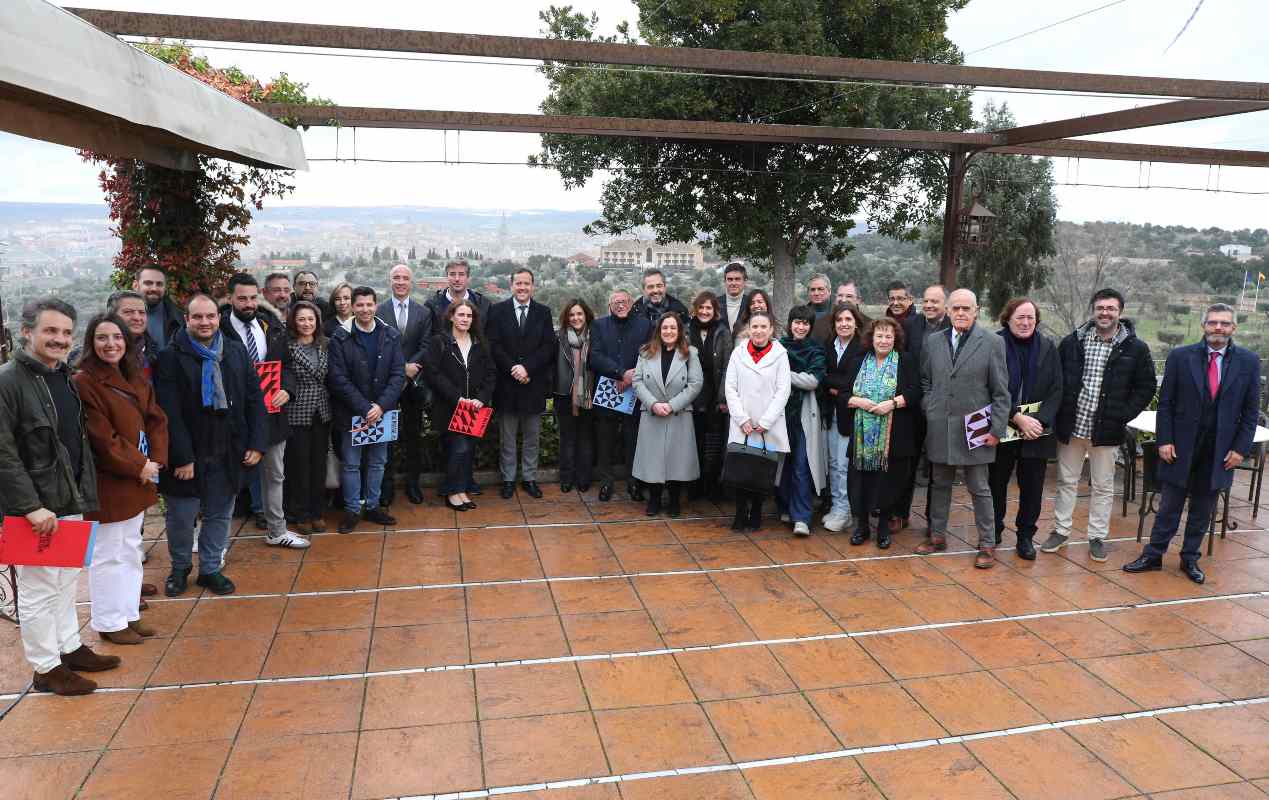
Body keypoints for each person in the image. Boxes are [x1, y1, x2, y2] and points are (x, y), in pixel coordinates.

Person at [0, 298, 117, 695]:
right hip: (36, 506)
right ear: (27, 332)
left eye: (66, 332)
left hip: (69, 498)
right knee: (37, 589)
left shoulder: (62, 376)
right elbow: (3, 452)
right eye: (50, 331)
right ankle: (45, 667)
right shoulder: (8, 382)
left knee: (66, 580)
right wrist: (30, 506)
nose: (60, 339)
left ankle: (68, 647)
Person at [1125, 303, 1259, 584]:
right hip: (1181, 446)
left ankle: (1190, 558)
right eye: (1212, 323)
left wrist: (1240, 449)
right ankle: (1154, 555)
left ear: (1233, 328)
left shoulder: (1248, 362)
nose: (1218, 328)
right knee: (1168, 506)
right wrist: (1165, 440)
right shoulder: (1180, 357)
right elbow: (1166, 404)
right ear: (1204, 326)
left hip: (1221, 450)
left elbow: (1250, 412)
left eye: (1224, 323)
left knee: (1202, 509)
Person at [157, 294, 267, 597]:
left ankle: (210, 569)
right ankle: (180, 568)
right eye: (198, 317)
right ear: (187, 320)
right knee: (181, 517)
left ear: (218, 318)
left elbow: (254, 398)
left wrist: (257, 443)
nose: (205, 322)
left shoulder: (234, 351)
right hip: (188, 456)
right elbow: (169, 412)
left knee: (220, 514)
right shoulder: (170, 357)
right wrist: (182, 457)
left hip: (228, 451)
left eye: (210, 316)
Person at [74, 313, 168, 645]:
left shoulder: (133, 374)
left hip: (140, 476)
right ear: (91, 342)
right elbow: (102, 438)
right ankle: (109, 622)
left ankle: (129, 614)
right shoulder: (84, 381)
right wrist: (140, 465)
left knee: (130, 548)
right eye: (102, 337)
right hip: (111, 482)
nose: (110, 344)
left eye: (116, 337)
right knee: (108, 554)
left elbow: (156, 418)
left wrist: (155, 459)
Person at [1044, 288, 1156, 562]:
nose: (1105, 313)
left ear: (1120, 312)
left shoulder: (1135, 347)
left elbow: (1146, 386)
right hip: (1072, 425)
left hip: (1107, 429)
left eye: (1111, 308)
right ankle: (1060, 530)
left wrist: (1122, 415)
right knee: (1066, 481)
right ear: (1093, 310)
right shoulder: (1073, 342)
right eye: (1100, 308)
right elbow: (1055, 379)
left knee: (1103, 486)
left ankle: (1096, 537)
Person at [918, 289, 1011, 569]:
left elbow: (1001, 392)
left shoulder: (993, 343)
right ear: (947, 311)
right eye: (955, 308)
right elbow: (926, 380)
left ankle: (987, 543)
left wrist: (996, 429)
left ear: (976, 310)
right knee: (939, 484)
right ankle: (937, 536)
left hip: (976, 430)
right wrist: (930, 405)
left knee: (980, 488)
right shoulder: (932, 341)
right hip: (940, 427)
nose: (960, 313)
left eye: (966, 309)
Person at [220, 273, 305, 549]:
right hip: (233, 420)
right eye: (241, 298)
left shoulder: (272, 326)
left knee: (275, 475)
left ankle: (276, 530)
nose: (247, 304)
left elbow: (287, 366)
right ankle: (214, 539)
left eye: (252, 297)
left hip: (271, 415)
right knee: (226, 479)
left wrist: (287, 390)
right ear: (230, 298)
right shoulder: (218, 331)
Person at [987, 298, 1062, 561]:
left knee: (1032, 488)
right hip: (1003, 426)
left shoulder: (1048, 347)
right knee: (995, 483)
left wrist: (1038, 422)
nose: (1026, 322)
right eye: (1020, 317)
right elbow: (988, 387)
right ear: (1007, 318)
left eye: (1030, 317)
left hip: (1036, 432)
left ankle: (1025, 537)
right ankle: (992, 532)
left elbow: (1057, 389)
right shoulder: (994, 344)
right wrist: (1016, 417)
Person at [328, 286, 405, 533]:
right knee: (351, 464)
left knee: (378, 462)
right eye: (359, 305)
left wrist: (380, 406)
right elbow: (337, 378)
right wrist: (364, 407)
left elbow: (398, 374)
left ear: (376, 305)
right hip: (352, 414)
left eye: (369, 304)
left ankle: (372, 506)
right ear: (352, 307)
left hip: (382, 413)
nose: (364, 309)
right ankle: (352, 510)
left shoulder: (390, 335)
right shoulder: (340, 338)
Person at [843, 317, 923, 549]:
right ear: (871, 337)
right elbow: (843, 393)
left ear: (895, 338)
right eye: (880, 335)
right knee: (861, 482)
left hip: (894, 436)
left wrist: (892, 404)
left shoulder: (905, 361)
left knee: (888, 483)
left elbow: (916, 391)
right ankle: (862, 528)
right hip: (861, 438)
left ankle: (884, 529)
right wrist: (858, 401)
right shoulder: (858, 361)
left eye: (889, 336)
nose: (884, 340)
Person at [487, 268, 557, 499]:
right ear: (511, 285)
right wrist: (513, 368)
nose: (522, 287)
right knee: (507, 439)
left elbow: (548, 347)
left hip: (533, 384)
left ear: (533, 286)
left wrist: (527, 368)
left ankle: (529, 478)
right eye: (518, 283)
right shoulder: (497, 311)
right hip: (507, 386)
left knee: (531, 438)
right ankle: (508, 479)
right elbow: (493, 345)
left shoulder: (543, 312)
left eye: (526, 283)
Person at [892, 284, 952, 532]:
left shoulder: (955, 327)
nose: (929, 306)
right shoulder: (910, 326)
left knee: (937, 467)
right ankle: (899, 513)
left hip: (943, 406)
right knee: (906, 463)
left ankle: (933, 520)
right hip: (911, 405)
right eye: (926, 301)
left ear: (945, 305)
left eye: (935, 302)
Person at [425, 300, 496, 511]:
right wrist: (457, 397)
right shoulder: (439, 341)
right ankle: (452, 491)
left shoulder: (480, 343)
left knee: (468, 449)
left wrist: (481, 398)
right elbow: (433, 374)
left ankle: (462, 488)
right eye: (461, 315)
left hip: (474, 407)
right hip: (450, 407)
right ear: (451, 317)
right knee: (458, 448)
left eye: (469, 316)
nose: (465, 319)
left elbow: (492, 374)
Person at [724, 311, 791, 531]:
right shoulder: (738, 353)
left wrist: (765, 421)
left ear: (771, 329)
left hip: (767, 424)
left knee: (761, 471)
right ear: (749, 329)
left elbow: (783, 390)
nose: (759, 331)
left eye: (764, 327)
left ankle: (757, 513)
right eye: (755, 327)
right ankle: (740, 512)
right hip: (742, 422)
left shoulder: (780, 355)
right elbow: (730, 388)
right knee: (741, 469)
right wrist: (742, 418)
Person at [632, 312, 704, 517]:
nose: (669, 331)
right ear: (659, 330)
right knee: (653, 460)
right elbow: (637, 381)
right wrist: (653, 404)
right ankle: (654, 499)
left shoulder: (690, 353)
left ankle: (674, 501)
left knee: (677, 460)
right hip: (652, 413)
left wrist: (672, 405)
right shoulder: (646, 353)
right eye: (665, 327)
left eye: (673, 327)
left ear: (679, 330)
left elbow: (695, 384)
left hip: (678, 414)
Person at [378, 264, 434, 505]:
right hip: (388, 384)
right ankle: (386, 486)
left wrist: (410, 372)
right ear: (390, 280)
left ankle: (413, 484)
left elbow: (426, 345)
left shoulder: (423, 313)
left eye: (405, 278)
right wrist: (400, 371)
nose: (400, 282)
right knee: (386, 437)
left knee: (413, 436)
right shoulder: (378, 310)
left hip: (413, 385)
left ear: (411, 282)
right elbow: (378, 347)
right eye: (396, 278)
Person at [589, 289, 653, 502]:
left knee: (632, 440)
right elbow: (595, 356)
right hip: (607, 389)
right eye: (616, 302)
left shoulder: (645, 326)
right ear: (610, 306)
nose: (620, 305)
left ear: (631, 303)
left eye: (624, 301)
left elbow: (649, 354)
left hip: (635, 390)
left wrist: (631, 376)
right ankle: (606, 483)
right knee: (604, 440)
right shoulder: (599, 325)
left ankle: (633, 484)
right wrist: (620, 373)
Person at [776, 305, 827, 536]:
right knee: (782, 465)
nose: (800, 326)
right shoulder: (778, 347)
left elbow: (812, 381)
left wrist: (782, 375)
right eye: (797, 322)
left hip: (805, 416)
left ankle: (802, 517)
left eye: (805, 323)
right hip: (779, 415)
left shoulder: (816, 350)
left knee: (802, 466)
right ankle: (785, 507)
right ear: (790, 323)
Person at [282, 301, 333, 534]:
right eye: (302, 319)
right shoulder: (286, 346)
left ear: (317, 321)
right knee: (299, 465)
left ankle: (317, 512)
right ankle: (300, 513)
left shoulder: (326, 344)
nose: (306, 323)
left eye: (311, 319)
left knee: (319, 465)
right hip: (296, 413)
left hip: (322, 412)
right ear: (294, 321)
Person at [822, 303, 868, 533]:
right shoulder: (829, 345)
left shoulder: (862, 348)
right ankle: (837, 506)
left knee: (843, 465)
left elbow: (854, 383)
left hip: (850, 416)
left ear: (856, 322)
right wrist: (837, 387)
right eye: (839, 320)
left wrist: (837, 387)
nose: (844, 324)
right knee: (832, 463)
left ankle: (845, 511)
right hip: (830, 413)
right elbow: (823, 377)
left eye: (848, 319)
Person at [687, 291, 733, 501]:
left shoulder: (722, 332)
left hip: (715, 394)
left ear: (715, 312)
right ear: (695, 309)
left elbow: (727, 368)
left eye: (709, 308)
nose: (704, 312)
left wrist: (723, 398)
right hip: (690, 395)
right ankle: (693, 485)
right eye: (701, 307)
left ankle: (712, 485)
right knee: (692, 442)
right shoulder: (686, 330)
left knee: (713, 444)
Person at [554, 299, 597, 494]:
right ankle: (566, 477)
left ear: (586, 315)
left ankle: (584, 478)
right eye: (572, 315)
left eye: (579, 314)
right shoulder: (559, 337)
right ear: (566, 318)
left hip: (589, 394)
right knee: (567, 438)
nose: (576, 318)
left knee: (586, 438)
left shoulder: (596, 337)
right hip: (564, 394)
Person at [424, 259, 493, 334]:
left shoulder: (484, 305)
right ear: (447, 277)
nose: (457, 279)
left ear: (468, 278)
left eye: (461, 274)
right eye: (452, 274)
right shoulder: (432, 306)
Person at [106, 290, 160, 377]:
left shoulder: (156, 353)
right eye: (128, 312)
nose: (137, 317)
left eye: (141, 312)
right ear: (111, 316)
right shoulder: (99, 352)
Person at [133, 266, 183, 350]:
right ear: (135, 285)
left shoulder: (179, 319)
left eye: (159, 284)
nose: (154, 288)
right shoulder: (120, 319)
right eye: (148, 283)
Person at [720, 262, 749, 331]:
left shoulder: (751, 304)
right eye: (730, 279)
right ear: (725, 281)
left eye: (737, 279)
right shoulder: (715, 304)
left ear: (745, 281)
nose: (733, 283)